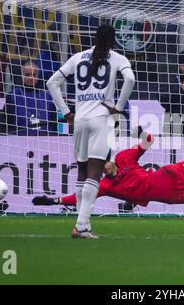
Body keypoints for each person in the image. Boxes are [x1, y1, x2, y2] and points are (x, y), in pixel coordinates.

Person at [33, 130, 184, 218]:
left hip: (167, 176)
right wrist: (54, 201)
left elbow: (147, 141)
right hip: (168, 196)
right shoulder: (106, 185)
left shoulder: (124, 157)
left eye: (101, 163)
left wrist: (143, 135)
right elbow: (82, 198)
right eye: (96, 168)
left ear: (106, 159)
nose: (102, 168)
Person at [47, 24, 135, 239]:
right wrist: (118, 107)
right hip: (101, 119)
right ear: (113, 40)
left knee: (82, 172)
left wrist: (67, 113)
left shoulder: (78, 57)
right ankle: (82, 225)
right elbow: (130, 79)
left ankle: (81, 223)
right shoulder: (117, 58)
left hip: (80, 120)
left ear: (94, 38)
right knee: (95, 172)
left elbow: (52, 82)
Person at [0, 60, 57, 135]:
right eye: (27, 74)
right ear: (22, 75)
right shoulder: (12, 96)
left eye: (34, 75)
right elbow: (4, 125)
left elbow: (54, 125)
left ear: (38, 76)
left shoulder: (48, 97)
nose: (31, 78)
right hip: (18, 141)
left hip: (46, 141)